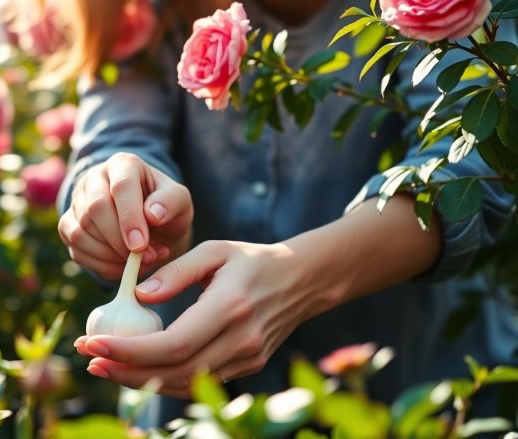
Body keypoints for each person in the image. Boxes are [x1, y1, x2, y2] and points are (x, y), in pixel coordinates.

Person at [50, 0, 518, 426]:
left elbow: (470, 162)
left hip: (421, 392)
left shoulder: (435, 9)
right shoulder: (142, 14)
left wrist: (298, 275)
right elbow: (116, 140)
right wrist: (116, 195)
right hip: (200, 418)